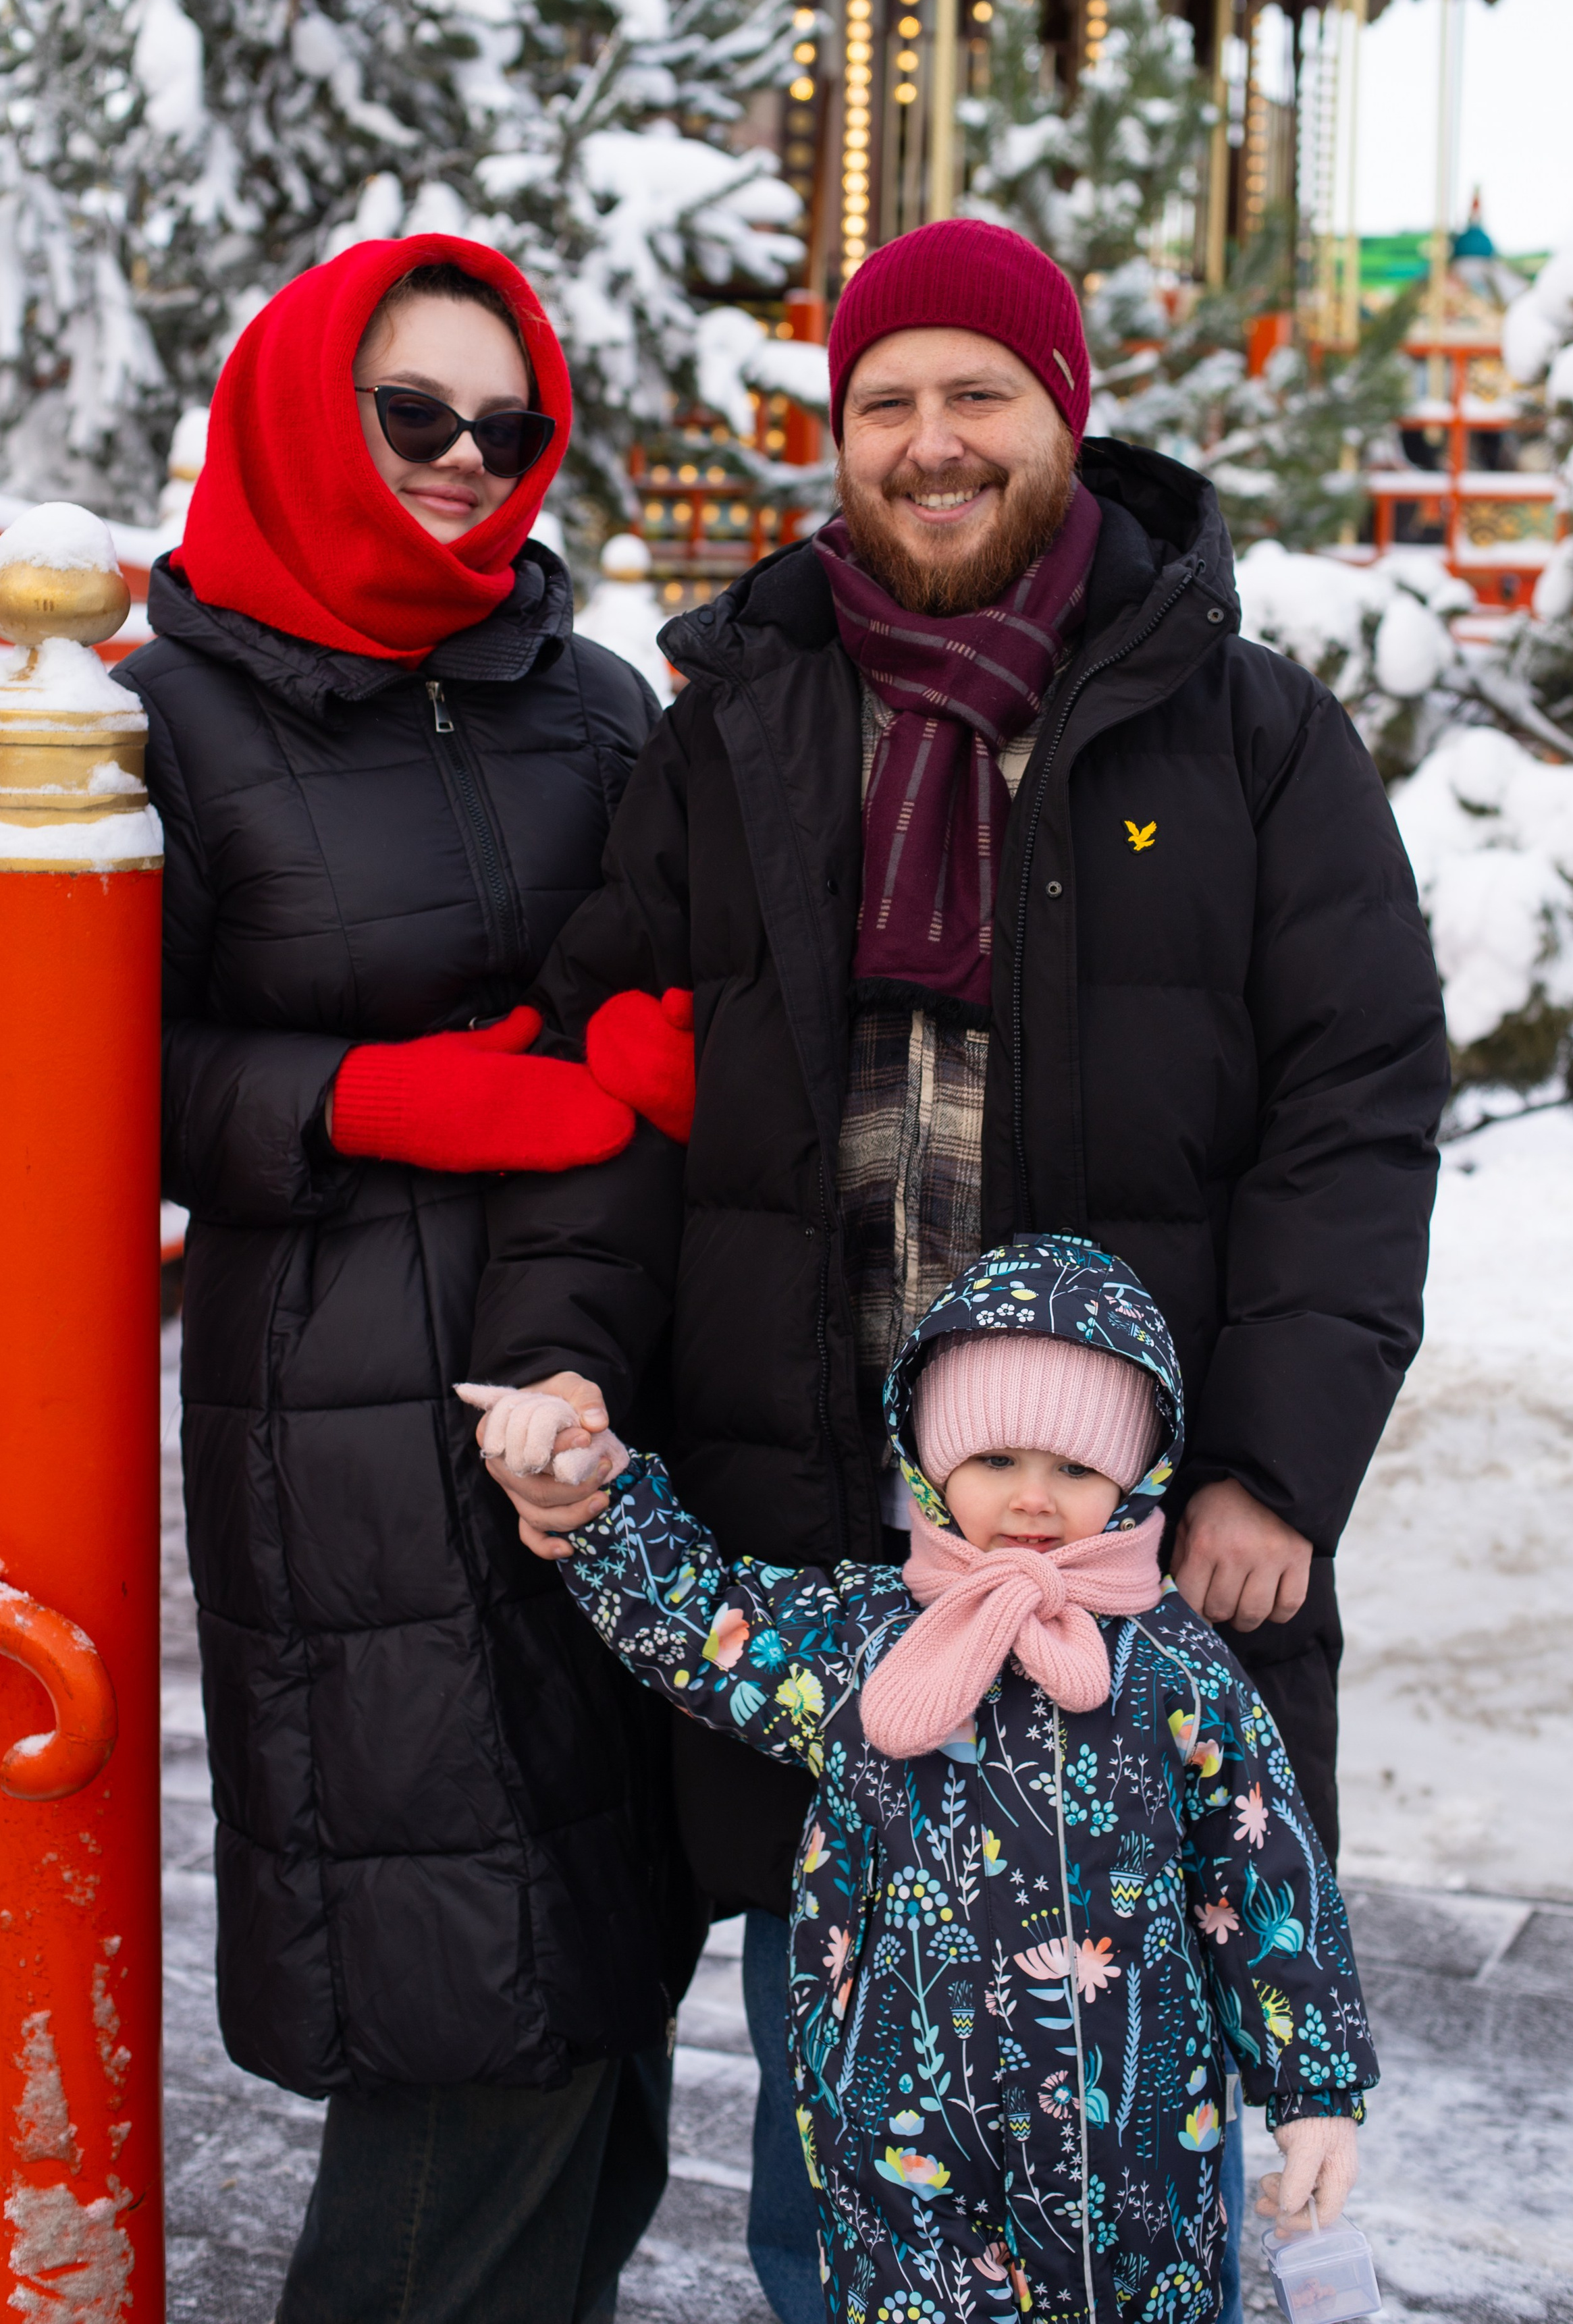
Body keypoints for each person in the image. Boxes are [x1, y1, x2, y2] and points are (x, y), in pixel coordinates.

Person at [459, 217, 1449, 2320]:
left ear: (1063, 417)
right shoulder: (735, 732)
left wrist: (1270, 1462)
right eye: (883, 402)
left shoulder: (1249, 738)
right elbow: (614, 1080)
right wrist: (555, 1368)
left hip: (1128, 1565)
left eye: (976, 394)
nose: (929, 443)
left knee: (1140, 2155)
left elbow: (1354, 1115)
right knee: (848, 2168)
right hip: (837, 1561)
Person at [116, 232, 704, 2324]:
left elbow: (668, 956)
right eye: (415, 416)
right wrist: (364, 1098)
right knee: (473, 1996)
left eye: (508, 425)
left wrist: (658, 1043)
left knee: (609, 1981)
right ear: (301, 411)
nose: (467, 461)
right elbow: (84, 1077)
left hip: (608, 1366)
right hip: (347, 1412)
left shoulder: (593, 693)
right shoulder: (166, 714)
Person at [468, 1234, 1379, 2324]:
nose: (1033, 1501)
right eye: (995, 1461)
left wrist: (1313, 2092)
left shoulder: (1172, 1666)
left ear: (1136, 1477)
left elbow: (1264, 1877)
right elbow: (705, 1626)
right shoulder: (862, 1637)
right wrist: (603, 1490)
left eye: (1075, 1469)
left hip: (1139, 2150)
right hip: (907, 2142)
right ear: (930, 1463)